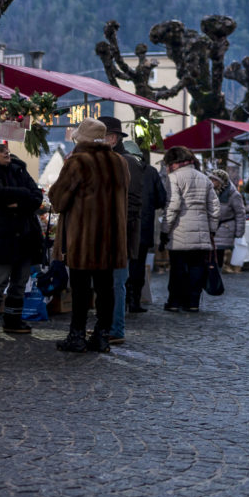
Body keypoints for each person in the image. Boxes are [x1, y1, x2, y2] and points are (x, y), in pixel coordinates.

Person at [48, 118, 129, 353]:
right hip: (112, 236)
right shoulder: (119, 162)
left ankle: (77, 335)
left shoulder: (78, 161)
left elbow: (58, 200)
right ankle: (102, 336)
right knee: (106, 288)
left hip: (84, 236)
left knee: (81, 288)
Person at [0, 143, 44, 337]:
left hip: (25, 234)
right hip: (2, 235)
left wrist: (18, 201)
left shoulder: (18, 169)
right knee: (0, 279)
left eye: (7, 151)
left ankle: (13, 320)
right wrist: (24, 195)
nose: (7, 153)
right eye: (1, 151)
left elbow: (37, 195)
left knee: (21, 280)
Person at [97, 116, 143, 344]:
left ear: (112, 139)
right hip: (108, 232)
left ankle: (115, 329)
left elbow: (133, 203)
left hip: (120, 232)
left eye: (100, 137)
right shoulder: (107, 160)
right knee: (106, 283)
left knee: (116, 282)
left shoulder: (127, 162)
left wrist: (117, 227)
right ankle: (106, 326)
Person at [160, 146, 218, 313]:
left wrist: (165, 231)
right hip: (201, 232)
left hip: (179, 231)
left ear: (174, 162)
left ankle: (174, 302)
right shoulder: (204, 178)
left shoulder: (174, 178)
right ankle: (193, 302)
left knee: (178, 269)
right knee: (197, 268)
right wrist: (211, 230)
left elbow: (173, 206)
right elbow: (214, 207)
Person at [127, 150, 168, 312]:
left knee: (120, 263)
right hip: (143, 225)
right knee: (138, 264)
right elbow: (161, 199)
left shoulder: (119, 167)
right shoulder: (150, 171)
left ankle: (120, 301)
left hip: (121, 224)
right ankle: (134, 301)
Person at [209, 169, 245, 271]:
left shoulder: (233, 195)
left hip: (225, 227)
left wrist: (239, 233)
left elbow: (240, 214)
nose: (212, 182)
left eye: (214, 180)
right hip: (213, 228)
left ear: (222, 181)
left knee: (220, 252)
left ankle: (220, 271)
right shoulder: (211, 193)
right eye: (211, 179)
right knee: (212, 254)